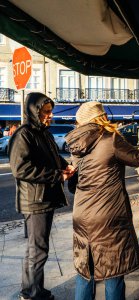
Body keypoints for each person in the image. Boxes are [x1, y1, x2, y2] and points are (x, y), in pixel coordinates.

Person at [65, 101, 139, 300]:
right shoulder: (110, 138)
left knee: (86, 271)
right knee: (113, 270)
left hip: (82, 213)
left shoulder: (76, 144)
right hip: (108, 215)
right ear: (100, 117)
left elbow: (74, 183)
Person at [8, 92, 75, 300]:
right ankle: (34, 294)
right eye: (46, 111)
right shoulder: (24, 134)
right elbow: (20, 169)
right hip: (35, 200)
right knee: (38, 250)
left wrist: (65, 166)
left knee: (34, 249)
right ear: (34, 111)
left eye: (50, 111)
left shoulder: (43, 132)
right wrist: (57, 175)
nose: (50, 115)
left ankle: (30, 290)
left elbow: (53, 157)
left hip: (42, 198)